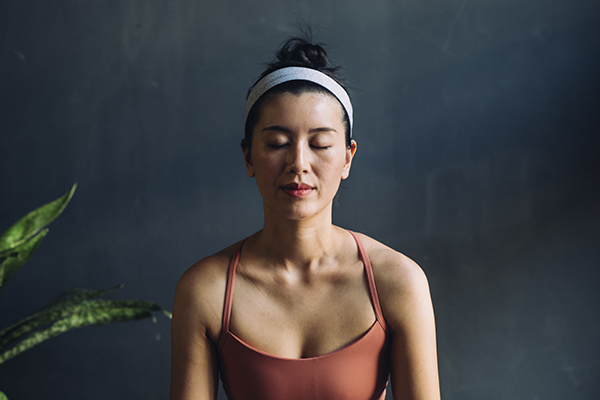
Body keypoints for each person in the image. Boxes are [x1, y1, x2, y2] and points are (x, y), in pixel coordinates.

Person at [170, 36, 440, 400]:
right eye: (277, 143)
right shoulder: (206, 290)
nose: (299, 163)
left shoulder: (398, 282)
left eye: (320, 144)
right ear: (248, 157)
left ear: (347, 157)